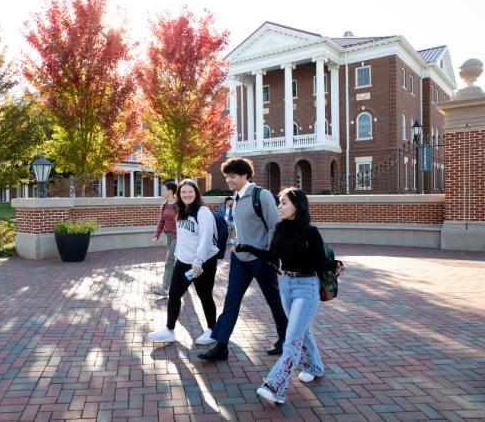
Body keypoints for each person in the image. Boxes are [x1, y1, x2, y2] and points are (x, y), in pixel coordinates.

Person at [236, 187, 345, 405]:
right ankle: (314, 366)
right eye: (279, 202)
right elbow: (271, 256)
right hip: (286, 285)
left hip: (307, 287)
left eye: (284, 202)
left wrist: (334, 265)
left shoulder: (310, 232)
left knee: (291, 338)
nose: (279, 206)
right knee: (300, 331)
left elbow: (318, 262)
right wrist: (247, 247)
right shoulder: (280, 228)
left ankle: (275, 385)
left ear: (298, 205)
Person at [198, 157, 288, 361]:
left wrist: (268, 254)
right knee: (231, 302)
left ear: (245, 175)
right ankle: (221, 346)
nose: (229, 180)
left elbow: (275, 226)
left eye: (233, 176)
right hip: (240, 259)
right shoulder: (236, 197)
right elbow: (240, 227)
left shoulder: (261, 195)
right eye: (227, 176)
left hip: (261, 259)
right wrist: (234, 244)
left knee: (274, 301)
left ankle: (285, 340)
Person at [148, 179, 219, 346]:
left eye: (190, 192)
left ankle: (212, 330)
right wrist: (178, 255)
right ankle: (169, 330)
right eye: (184, 192)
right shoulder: (180, 210)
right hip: (184, 260)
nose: (187, 195)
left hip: (204, 262)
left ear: (196, 193)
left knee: (205, 296)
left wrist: (198, 262)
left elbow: (206, 239)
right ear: (178, 194)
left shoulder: (203, 212)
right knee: (174, 294)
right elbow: (182, 236)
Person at [152, 182, 178, 296]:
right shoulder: (164, 205)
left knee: (169, 261)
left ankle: (164, 289)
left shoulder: (179, 205)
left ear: (170, 191)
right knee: (179, 261)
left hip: (179, 236)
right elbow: (161, 221)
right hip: (169, 236)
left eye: (163, 190)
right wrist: (157, 234)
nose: (162, 192)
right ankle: (183, 282)